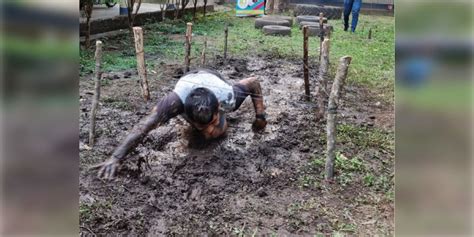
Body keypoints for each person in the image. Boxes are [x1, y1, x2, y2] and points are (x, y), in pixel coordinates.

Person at [93, 69, 267, 179]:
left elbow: (253, 82)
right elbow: (143, 126)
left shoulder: (227, 96)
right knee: (202, 135)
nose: (209, 129)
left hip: (213, 76)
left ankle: (210, 124)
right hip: (188, 79)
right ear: (183, 113)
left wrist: (260, 117)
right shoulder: (174, 103)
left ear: (219, 108)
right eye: (202, 125)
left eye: (212, 121)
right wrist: (116, 157)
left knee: (217, 134)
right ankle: (203, 126)